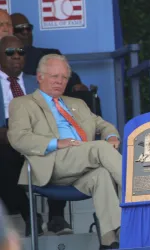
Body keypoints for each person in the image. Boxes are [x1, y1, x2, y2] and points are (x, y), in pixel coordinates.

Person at [7, 54, 122, 249]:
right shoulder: (22, 104)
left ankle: (111, 241)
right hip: (52, 163)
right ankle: (140, 194)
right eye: (54, 76)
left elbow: (103, 125)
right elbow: (18, 138)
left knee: (102, 175)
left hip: (83, 164)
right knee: (100, 148)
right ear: (39, 77)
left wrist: (112, 137)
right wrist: (55, 142)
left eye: (63, 77)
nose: (59, 81)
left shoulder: (77, 104)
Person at [0, 36, 72, 236]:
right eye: (9, 52)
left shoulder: (37, 82)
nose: (16, 56)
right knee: (3, 159)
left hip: (39, 134)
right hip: (5, 140)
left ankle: (56, 217)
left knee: (61, 149)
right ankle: (30, 215)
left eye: (20, 52)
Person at [10, 13, 88, 93]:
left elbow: (71, 80)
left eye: (28, 28)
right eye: (19, 29)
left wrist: (75, 87)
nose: (25, 33)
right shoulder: (4, 62)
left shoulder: (50, 55)